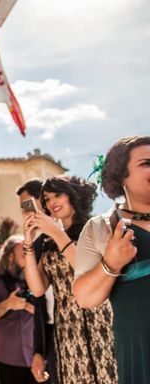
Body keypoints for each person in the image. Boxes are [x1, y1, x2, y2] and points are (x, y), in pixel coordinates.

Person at [22, 176, 117, 383]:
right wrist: (28, 243)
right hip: (66, 331)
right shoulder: (48, 242)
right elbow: (37, 289)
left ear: (72, 195)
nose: (52, 202)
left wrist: (57, 233)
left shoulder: (94, 229)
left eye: (58, 194)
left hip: (101, 324)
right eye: (46, 199)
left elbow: (90, 270)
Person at [74, 136, 150, 384]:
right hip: (141, 351)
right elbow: (84, 298)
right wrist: (111, 264)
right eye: (146, 163)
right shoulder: (100, 227)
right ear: (120, 176)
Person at [0, 235, 36, 384]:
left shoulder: (36, 279)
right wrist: (8, 304)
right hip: (8, 361)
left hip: (40, 359)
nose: (29, 259)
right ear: (9, 256)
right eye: (24, 254)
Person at [16, 179, 58, 384]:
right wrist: (38, 352)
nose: (25, 212)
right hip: (51, 334)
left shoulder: (75, 233)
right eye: (23, 208)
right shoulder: (37, 244)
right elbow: (40, 300)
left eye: (28, 204)